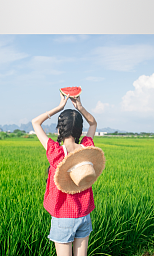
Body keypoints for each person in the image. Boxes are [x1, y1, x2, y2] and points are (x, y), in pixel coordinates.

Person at [32, 93, 103, 256]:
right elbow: (93, 122)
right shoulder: (87, 148)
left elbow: (35, 122)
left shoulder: (55, 152)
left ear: (59, 128)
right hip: (84, 214)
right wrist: (80, 106)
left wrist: (59, 107)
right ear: (80, 130)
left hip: (63, 216)